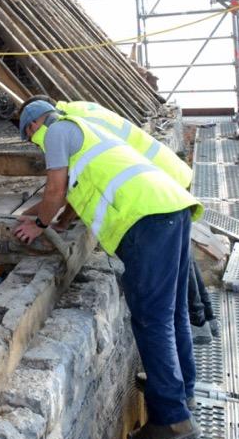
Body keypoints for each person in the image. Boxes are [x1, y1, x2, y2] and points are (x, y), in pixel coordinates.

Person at [13, 99, 204, 439]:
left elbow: (55, 189)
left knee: (151, 319)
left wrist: (39, 224)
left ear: (33, 125)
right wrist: (56, 220)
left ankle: (171, 417)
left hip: (145, 221)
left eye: (29, 135)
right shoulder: (83, 128)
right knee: (172, 311)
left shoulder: (54, 132)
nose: (34, 142)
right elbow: (72, 196)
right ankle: (183, 391)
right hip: (170, 209)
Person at [24, 95, 219, 344]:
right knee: (179, 258)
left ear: (36, 122)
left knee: (164, 287)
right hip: (158, 175)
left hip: (151, 184)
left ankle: (198, 322)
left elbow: (73, 183)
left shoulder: (65, 127)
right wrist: (57, 218)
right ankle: (205, 319)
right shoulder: (79, 111)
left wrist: (53, 222)